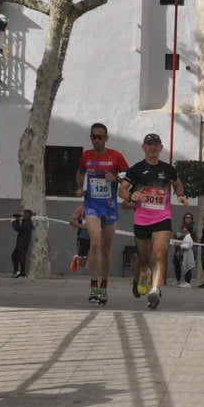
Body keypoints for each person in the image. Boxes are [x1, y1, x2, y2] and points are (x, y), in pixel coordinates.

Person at [118, 133, 188, 310]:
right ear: (143, 147)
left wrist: (180, 195)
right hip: (142, 219)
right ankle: (139, 276)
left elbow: (178, 183)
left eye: (156, 144)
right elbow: (122, 189)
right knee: (144, 258)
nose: (152, 147)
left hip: (162, 217)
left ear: (161, 147)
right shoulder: (136, 169)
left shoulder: (168, 169)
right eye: (149, 144)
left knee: (159, 254)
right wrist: (130, 195)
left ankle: (154, 291)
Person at [75, 123, 129, 305]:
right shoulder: (85, 156)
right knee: (95, 242)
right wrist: (79, 188)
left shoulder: (116, 156)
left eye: (100, 137)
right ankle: (93, 285)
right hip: (91, 205)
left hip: (110, 207)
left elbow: (128, 178)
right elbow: (80, 172)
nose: (97, 140)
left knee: (106, 248)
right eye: (93, 137)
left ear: (106, 138)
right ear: (90, 138)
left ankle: (104, 285)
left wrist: (116, 179)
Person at [172, 212, 196, 285]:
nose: (188, 219)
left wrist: (181, 235)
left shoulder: (193, 227)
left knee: (187, 265)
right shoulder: (181, 227)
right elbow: (175, 234)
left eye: (189, 218)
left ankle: (187, 282)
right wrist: (178, 235)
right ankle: (178, 280)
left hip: (188, 250)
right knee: (176, 263)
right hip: (179, 250)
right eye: (186, 217)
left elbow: (191, 234)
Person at [10, 209, 34, 278]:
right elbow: (20, 219)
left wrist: (13, 222)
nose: (22, 216)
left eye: (23, 215)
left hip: (23, 244)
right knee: (14, 257)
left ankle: (22, 273)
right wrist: (17, 218)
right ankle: (17, 271)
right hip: (19, 244)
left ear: (26, 216)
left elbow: (17, 228)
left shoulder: (27, 224)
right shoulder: (26, 221)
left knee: (21, 258)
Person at [68, 204, 90, 272]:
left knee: (94, 256)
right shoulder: (81, 209)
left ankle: (94, 278)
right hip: (83, 238)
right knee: (82, 264)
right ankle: (76, 259)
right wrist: (83, 226)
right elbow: (71, 221)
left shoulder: (99, 207)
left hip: (94, 237)